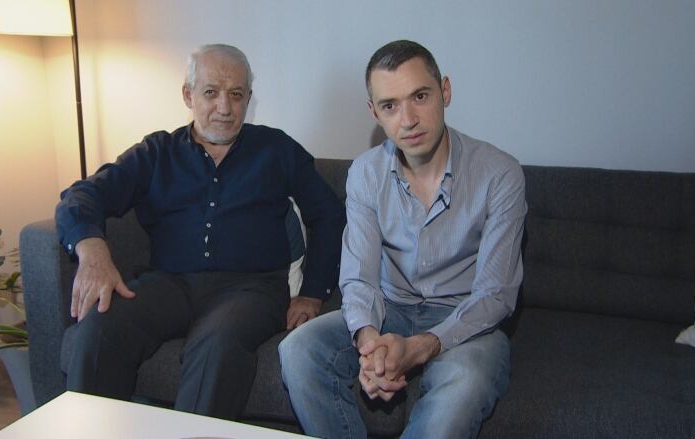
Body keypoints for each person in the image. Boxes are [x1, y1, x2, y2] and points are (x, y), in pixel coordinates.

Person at [56, 43, 345, 420]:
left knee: (216, 344)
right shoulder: (157, 152)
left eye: (236, 95)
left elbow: (329, 213)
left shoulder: (275, 150)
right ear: (188, 94)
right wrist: (91, 248)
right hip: (169, 284)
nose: (224, 108)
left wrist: (312, 293)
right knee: (99, 327)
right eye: (211, 93)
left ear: (248, 99)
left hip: (252, 289)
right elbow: (82, 195)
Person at [279, 40, 527, 438]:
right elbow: (359, 276)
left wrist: (420, 346)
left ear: (444, 91)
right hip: (389, 308)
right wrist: (368, 339)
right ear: (374, 111)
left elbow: (495, 295)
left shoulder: (500, 174)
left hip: (463, 315)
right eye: (390, 105)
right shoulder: (365, 172)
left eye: (420, 96)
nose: (407, 119)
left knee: (466, 380)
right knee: (298, 349)